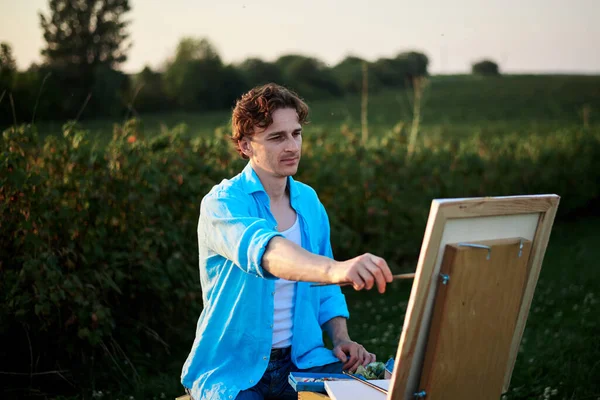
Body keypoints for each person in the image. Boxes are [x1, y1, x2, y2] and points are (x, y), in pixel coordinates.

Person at [181, 83, 393, 400]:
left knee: (385, 388)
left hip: (304, 362)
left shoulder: (309, 201)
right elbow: (269, 253)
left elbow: (325, 287)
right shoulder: (222, 204)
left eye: (296, 133)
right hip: (235, 372)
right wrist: (337, 268)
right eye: (277, 137)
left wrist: (340, 338)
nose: (292, 146)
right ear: (245, 145)